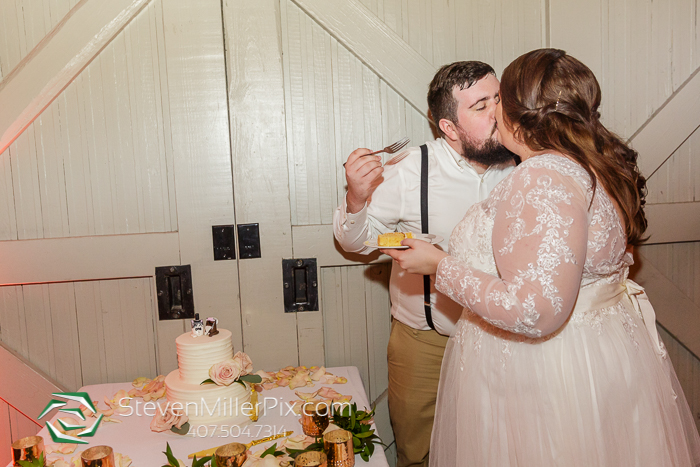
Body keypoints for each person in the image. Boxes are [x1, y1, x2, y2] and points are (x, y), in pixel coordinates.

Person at [383, 48, 700, 466]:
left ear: (520, 114)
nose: (494, 112)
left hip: (538, 377)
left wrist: (439, 265)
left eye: (500, 101)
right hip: (591, 360)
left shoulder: (543, 176)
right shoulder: (590, 164)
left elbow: (534, 310)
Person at [333, 61, 516, 466]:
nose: (498, 113)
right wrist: (356, 200)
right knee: (419, 454)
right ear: (449, 128)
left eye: (499, 99)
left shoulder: (525, 161)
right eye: (482, 105)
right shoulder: (410, 170)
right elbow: (358, 242)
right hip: (427, 344)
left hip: (509, 340)